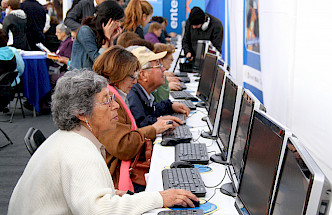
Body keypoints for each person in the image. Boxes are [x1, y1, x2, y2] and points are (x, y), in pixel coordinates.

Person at [7, 69, 199, 214]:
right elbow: (100, 211)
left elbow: (88, 198)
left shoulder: (68, 138)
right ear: (81, 113)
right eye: (107, 100)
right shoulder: (79, 151)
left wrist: (115, 195)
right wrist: (159, 197)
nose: (116, 105)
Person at [93, 46, 181, 192]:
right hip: (117, 176)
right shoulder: (109, 100)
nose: (135, 81)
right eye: (131, 76)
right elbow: (123, 146)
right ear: (118, 74)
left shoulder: (116, 95)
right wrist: (153, 129)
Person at [127, 46, 190, 128]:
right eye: (158, 65)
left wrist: (170, 106)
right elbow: (140, 125)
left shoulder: (140, 91)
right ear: (143, 75)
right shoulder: (132, 96)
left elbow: (152, 109)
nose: (163, 69)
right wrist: (158, 121)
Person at [69, 0, 123, 70]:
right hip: (80, 77)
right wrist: (106, 40)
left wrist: (111, 41)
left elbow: (110, 61)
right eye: (117, 21)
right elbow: (99, 61)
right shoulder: (85, 31)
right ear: (108, 20)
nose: (119, 25)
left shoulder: (105, 33)